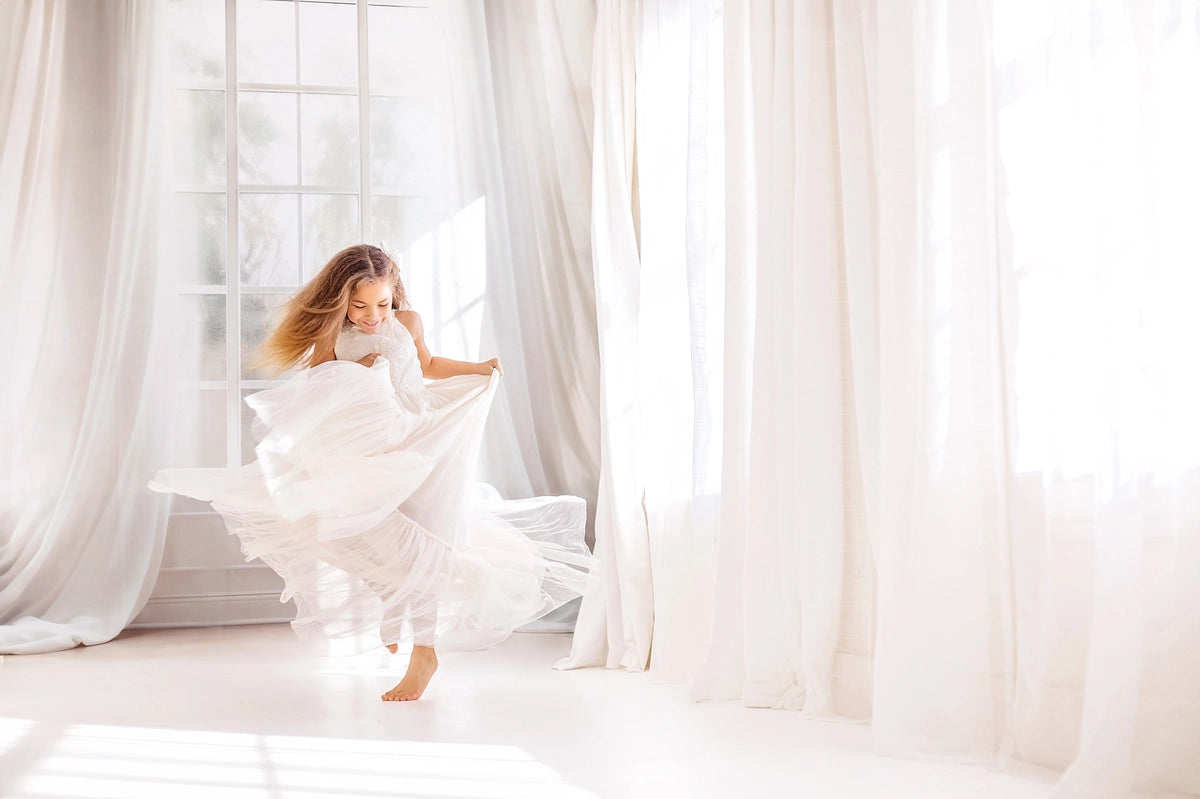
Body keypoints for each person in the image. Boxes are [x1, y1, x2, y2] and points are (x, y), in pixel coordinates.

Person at [150, 244, 594, 701]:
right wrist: (356, 369)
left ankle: (424, 652)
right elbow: (319, 385)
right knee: (352, 526)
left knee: (429, 534)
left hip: (417, 436)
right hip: (366, 443)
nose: (372, 315)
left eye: (381, 304)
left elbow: (426, 365)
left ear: (394, 294)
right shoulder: (333, 334)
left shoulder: (407, 322)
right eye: (359, 306)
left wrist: (478, 368)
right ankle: (390, 588)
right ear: (341, 301)